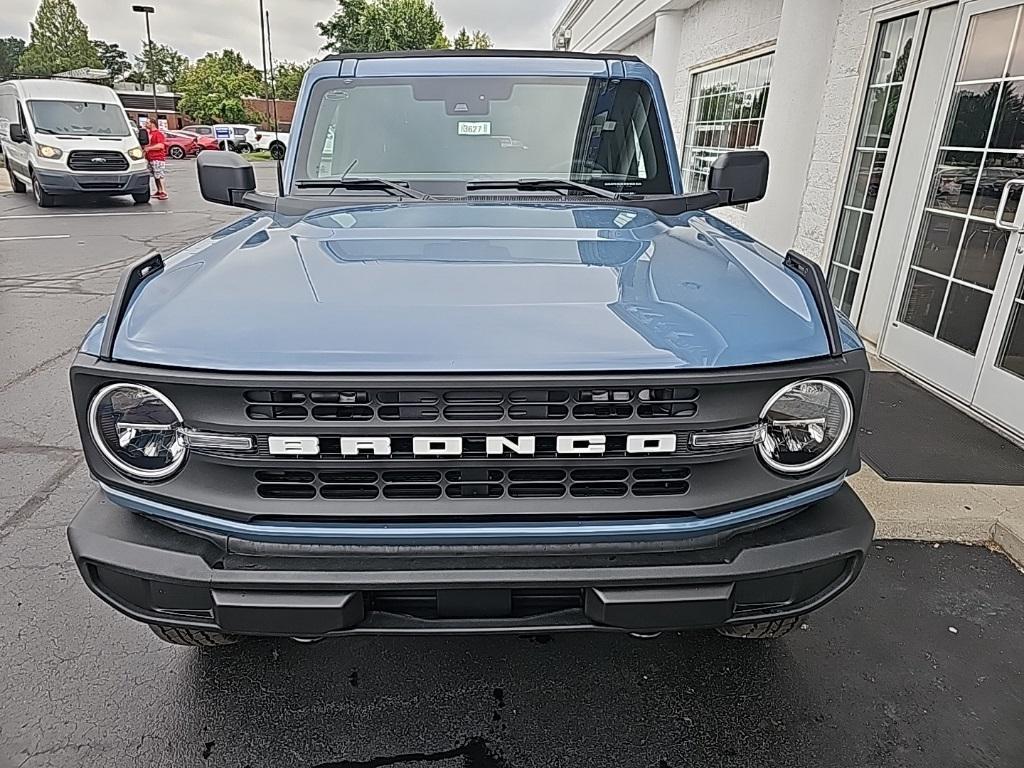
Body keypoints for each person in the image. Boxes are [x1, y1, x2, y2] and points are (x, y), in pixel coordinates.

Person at [144, 123, 168, 200]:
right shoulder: (149, 134)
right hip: (150, 158)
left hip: (158, 158)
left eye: (147, 123)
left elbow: (161, 146)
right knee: (155, 175)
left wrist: (149, 148)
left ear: (152, 124)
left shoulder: (158, 134)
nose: (146, 124)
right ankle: (159, 190)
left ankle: (164, 192)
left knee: (160, 175)